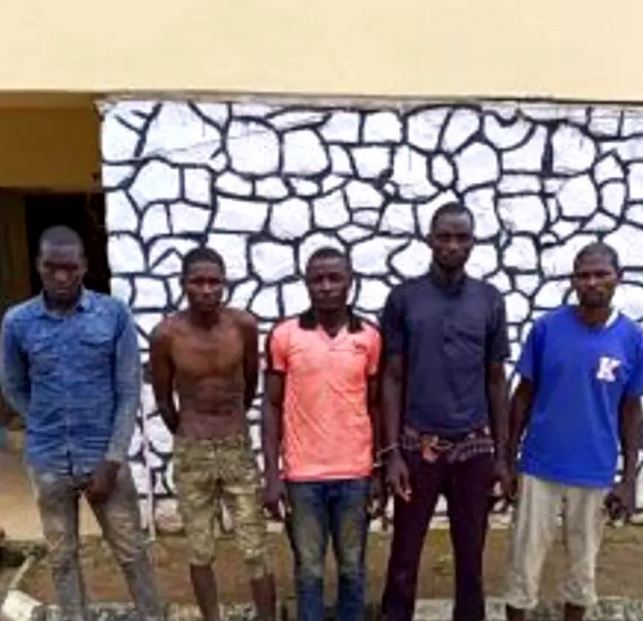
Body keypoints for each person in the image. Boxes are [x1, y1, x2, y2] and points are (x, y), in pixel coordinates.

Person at [0, 226, 161, 621]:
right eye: (51, 267)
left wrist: (113, 459)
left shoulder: (113, 315)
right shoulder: (17, 322)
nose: (61, 276)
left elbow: (128, 390)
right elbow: (12, 384)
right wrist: (41, 420)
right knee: (62, 558)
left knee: (131, 551)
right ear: (38, 265)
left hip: (103, 458)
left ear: (85, 266)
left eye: (70, 267)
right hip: (48, 462)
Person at [379, 203, 511, 621]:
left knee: (471, 559)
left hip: (474, 450)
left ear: (473, 243)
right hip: (417, 448)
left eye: (461, 237)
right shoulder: (404, 299)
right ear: (429, 240)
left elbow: (496, 381)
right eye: (444, 237)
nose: (452, 245)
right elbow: (392, 378)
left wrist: (502, 457)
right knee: (404, 557)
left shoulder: (489, 300)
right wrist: (392, 454)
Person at [504, 242, 643, 621]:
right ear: (573, 281)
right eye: (584, 275)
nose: (592, 282)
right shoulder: (547, 329)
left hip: (595, 472)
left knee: (583, 571)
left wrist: (629, 478)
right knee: (523, 566)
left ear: (619, 278)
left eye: (601, 274)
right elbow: (522, 396)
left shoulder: (631, 338)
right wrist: (509, 460)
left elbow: (631, 410)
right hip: (540, 467)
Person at [150, 247, 275, 621]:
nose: (206, 290)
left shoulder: (243, 326)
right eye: (197, 282)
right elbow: (163, 398)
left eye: (214, 282)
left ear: (225, 284)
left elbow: (250, 383)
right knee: (200, 547)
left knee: (254, 544)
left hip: (236, 445)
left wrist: (228, 421)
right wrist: (189, 430)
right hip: (192, 448)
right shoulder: (166, 335)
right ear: (183, 284)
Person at [262, 247, 382, 621]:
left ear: (350, 282)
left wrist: (378, 471)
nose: (326, 286)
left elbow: (376, 406)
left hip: (355, 475)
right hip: (302, 477)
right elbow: (271, 406)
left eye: (335, 278)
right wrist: (272, 474)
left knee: (352, 568)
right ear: (306, 283)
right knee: (309, 571)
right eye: (317, 279)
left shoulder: (369, 337)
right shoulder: (284, 335)